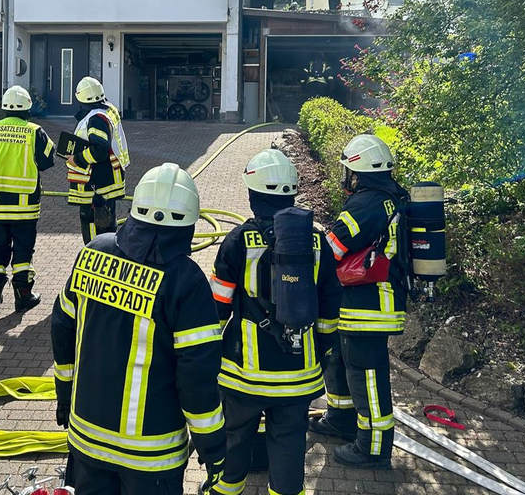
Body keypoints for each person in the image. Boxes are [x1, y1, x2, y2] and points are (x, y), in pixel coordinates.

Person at [51, 163, 225, 495]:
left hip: (87, 439)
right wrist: (213, 447)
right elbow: (197, 377)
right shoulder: (186, 281)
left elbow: (62, 327)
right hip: (151, 456)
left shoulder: (93, 252)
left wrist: (64, 395)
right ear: (188, 223)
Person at [208, 149, 341, 495]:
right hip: (299, 375)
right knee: (290, 442)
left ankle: (226, 489)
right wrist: (322, 349)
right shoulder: (318, 241)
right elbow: (330, 305)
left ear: (253, 195)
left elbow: (218, 306)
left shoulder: (238, 240)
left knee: (235, 436)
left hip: (245, 373)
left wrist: (210, 353)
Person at [309, 134, 409, 469]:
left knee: (367, 376)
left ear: (358, 171)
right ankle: (341, 420)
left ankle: (374, 448)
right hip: (363, 300)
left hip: (369, 305)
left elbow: (332, 250)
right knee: (340, 361)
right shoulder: (390, 197)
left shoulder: (366, 204)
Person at [0, 85, 56, 314]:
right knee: (23, 252)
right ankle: (23, 298)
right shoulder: (35, 131)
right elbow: (48, 160)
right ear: (28, 108)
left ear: (4, 108)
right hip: (25, 207)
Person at [66, 76, 130, 244]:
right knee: (108, 226)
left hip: (95, 185)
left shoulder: (95, 119)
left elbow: (100, 150)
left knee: (94, 229)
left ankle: (95, 255)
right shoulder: (109, 110)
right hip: (108, 180)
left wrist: (77, 159)